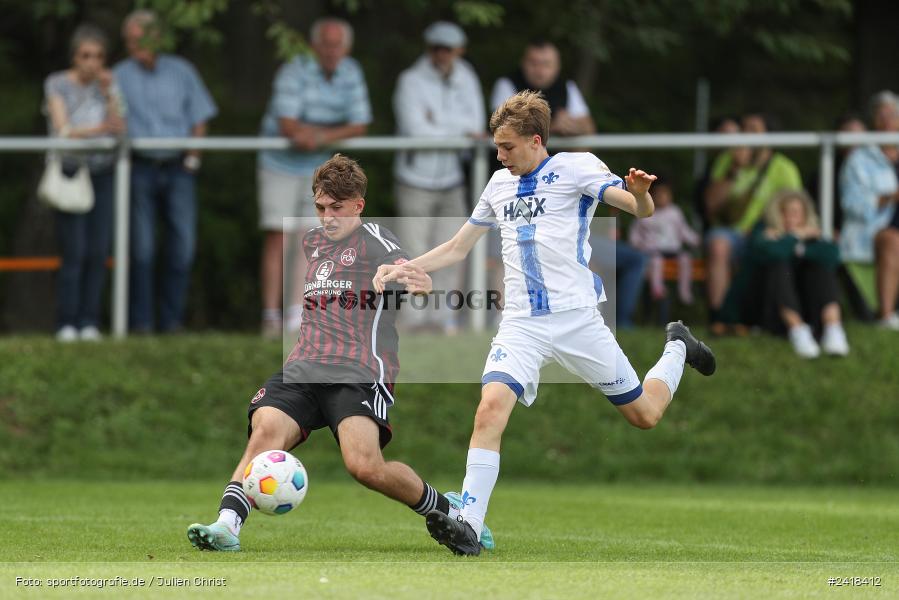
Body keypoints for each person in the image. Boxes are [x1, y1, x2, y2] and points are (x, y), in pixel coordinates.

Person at [374, 91, 716, 556]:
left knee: (644, 415)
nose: (500, 155)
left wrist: (639, 193)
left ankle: (677, 346)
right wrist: (402, 266)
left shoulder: (576, 168)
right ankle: (470, 524)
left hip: (577, 320)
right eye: (497, 146)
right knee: (489, 409)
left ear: (536, 141)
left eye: (507, 147)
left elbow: (639, 209)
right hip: (521, 324)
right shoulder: (498, 184)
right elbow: (457, 248)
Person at [187, 155, 493, 552]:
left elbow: (402, 267)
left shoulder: (375, 240)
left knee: (364, 466)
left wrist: (412, 278)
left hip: (358, 370)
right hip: (304, 366)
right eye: (320, 208)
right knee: (265, 432)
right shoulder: (313, 241)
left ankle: (450, 511)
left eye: (336, 208)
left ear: (358, 206)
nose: (327, 217)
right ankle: (227, 526)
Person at [257, 18, 372, 338]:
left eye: (337, 44)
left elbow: (360, 123)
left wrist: (319, 136)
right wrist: (310, 134)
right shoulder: (294, 69)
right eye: (326, 43)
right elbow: (288, 126)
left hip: (320, 167)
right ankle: (270, 315)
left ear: (345, 47)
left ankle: (299, 312)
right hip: (279, 163)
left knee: (313, 240)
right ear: (314, 45)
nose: (331, 50)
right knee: (278, 236)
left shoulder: (351, 71)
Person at [114, 9, 218, 333]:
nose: (134, 47)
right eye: (129, 41)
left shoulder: (182, 71)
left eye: (138, 39)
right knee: (141, 250)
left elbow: (200, 117)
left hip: (178, 168)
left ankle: (172, 323)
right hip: (138, 168)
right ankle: (141, 324)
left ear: (156, 36)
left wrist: (193, 159)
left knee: (182, 247)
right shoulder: (117, 74)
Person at [392, 21, 485, 334]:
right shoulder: (410, 80)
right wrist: (458, 129)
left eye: (448, 48)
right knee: (414, 252)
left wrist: (440, 123)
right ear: (428, 47)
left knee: (451, 250)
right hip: (414, 178)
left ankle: (442, 319)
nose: (442, 54)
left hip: (452, 179)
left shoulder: (467, 76)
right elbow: (416, 129)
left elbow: (476, 125)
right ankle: (414, 321)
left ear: (459, 50)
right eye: (437, 47)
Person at [44, 24, 124, 342]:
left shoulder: (109, 85)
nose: (92, 62)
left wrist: (109, 93)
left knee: (97, 250)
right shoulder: (57, 83)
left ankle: (90, 321)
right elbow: (63, 128)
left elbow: (119, 126)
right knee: (74, 250)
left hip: (103, 173)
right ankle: (67, 322)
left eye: (99, 56)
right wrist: (100, 128)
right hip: (72, 172)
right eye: (86, 55)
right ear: (74, 56)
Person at [703, 113, 803, 333]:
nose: (746, 134)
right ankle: (720, 319)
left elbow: (796, 211)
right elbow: (710, 205)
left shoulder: (785, 168)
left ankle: (748, 320)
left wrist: (765, 231)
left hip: (768, 233)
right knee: (718, 244)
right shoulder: (727, 161)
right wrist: (733, 171)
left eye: (753, 129)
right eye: (744, 128)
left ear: (768, 136)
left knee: (763, 248)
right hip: (731, 234)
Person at [748, 190, 849, 358]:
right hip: (771, 312)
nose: (790, 218)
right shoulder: (764, 233)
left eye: (795, 212)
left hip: (808, 306)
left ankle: (833, 327)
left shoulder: (810, 238)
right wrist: (795, 236)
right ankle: (797, 329)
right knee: (779, 266)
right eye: (784, 212)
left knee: (820, 267)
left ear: (804, 215)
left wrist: (797, 247)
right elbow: (773, 253)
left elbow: (832, 256)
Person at [839, 91, 899, 329]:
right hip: (873, 232)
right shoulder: (858, 159)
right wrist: (890, 198)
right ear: (873, 122)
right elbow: (852, 205)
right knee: (892, 240)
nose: (886, 121)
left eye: (892, 115)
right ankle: (885, 315)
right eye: (880, 116)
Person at [490, 40, 595, 136]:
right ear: (523, 63)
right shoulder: (507, 84)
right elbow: (503, 126)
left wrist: (572, 126)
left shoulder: (567, 86)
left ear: (558, 67)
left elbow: (588, 127)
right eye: (534, 63)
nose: (540, 71)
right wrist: (551, 127)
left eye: (546, 64)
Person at [629, 176, 700, 305]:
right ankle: (657, 289)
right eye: (658, 194)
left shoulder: (675, 212)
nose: (662, 197)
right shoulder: (645, 211)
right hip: (653, 250)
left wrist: (695, 240)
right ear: (652, 196)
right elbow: (635, 232)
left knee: (685, 259)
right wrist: (637, 244)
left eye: (665, 194)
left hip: (672, 249)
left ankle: (684, 291)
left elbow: (683, 230)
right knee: (656, 262)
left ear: (670, 196)